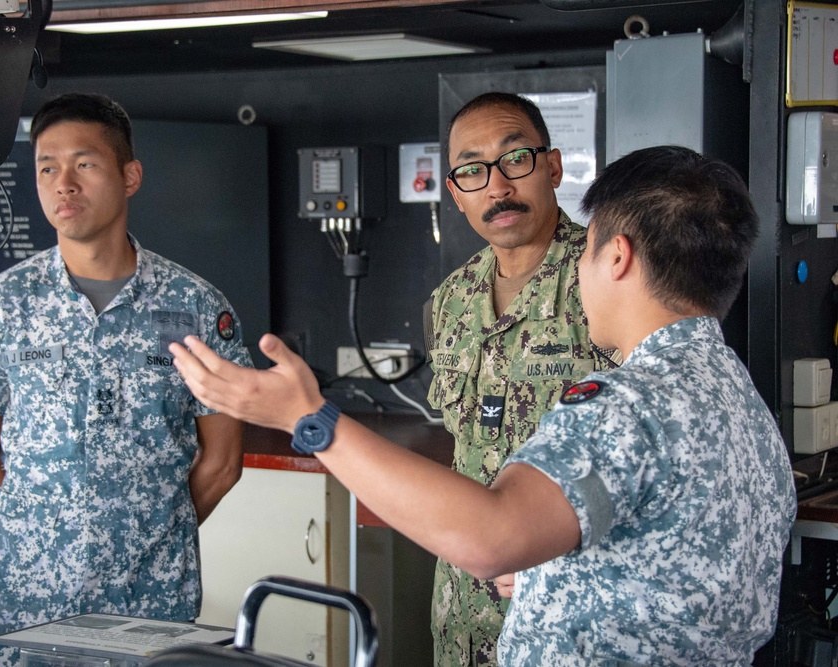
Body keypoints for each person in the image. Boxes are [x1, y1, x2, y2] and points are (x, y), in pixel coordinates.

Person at [169, 145, 797, 665]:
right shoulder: (740, 404)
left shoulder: (624, 406)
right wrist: (555, 576)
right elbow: (666, 569)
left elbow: (491, 537)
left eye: (584, 254)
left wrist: (312, 421)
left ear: (618, 256)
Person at [0, 92, 251, 665]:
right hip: (28, 602)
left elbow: (223, 461)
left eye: (84, 164)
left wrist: (150, 535)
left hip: (149, 603)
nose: (64, 184)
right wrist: (41, 538)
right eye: (47, 168)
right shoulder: (1, 306)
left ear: (130, 176)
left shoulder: (195, 306)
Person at [426, 91, 615, 665]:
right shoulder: (449, 301)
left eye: (516, 159)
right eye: (473, 171)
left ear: (553, 167)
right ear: (456, 193)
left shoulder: (613, 280)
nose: (498, 187)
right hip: (462, 614)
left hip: (569, 616)